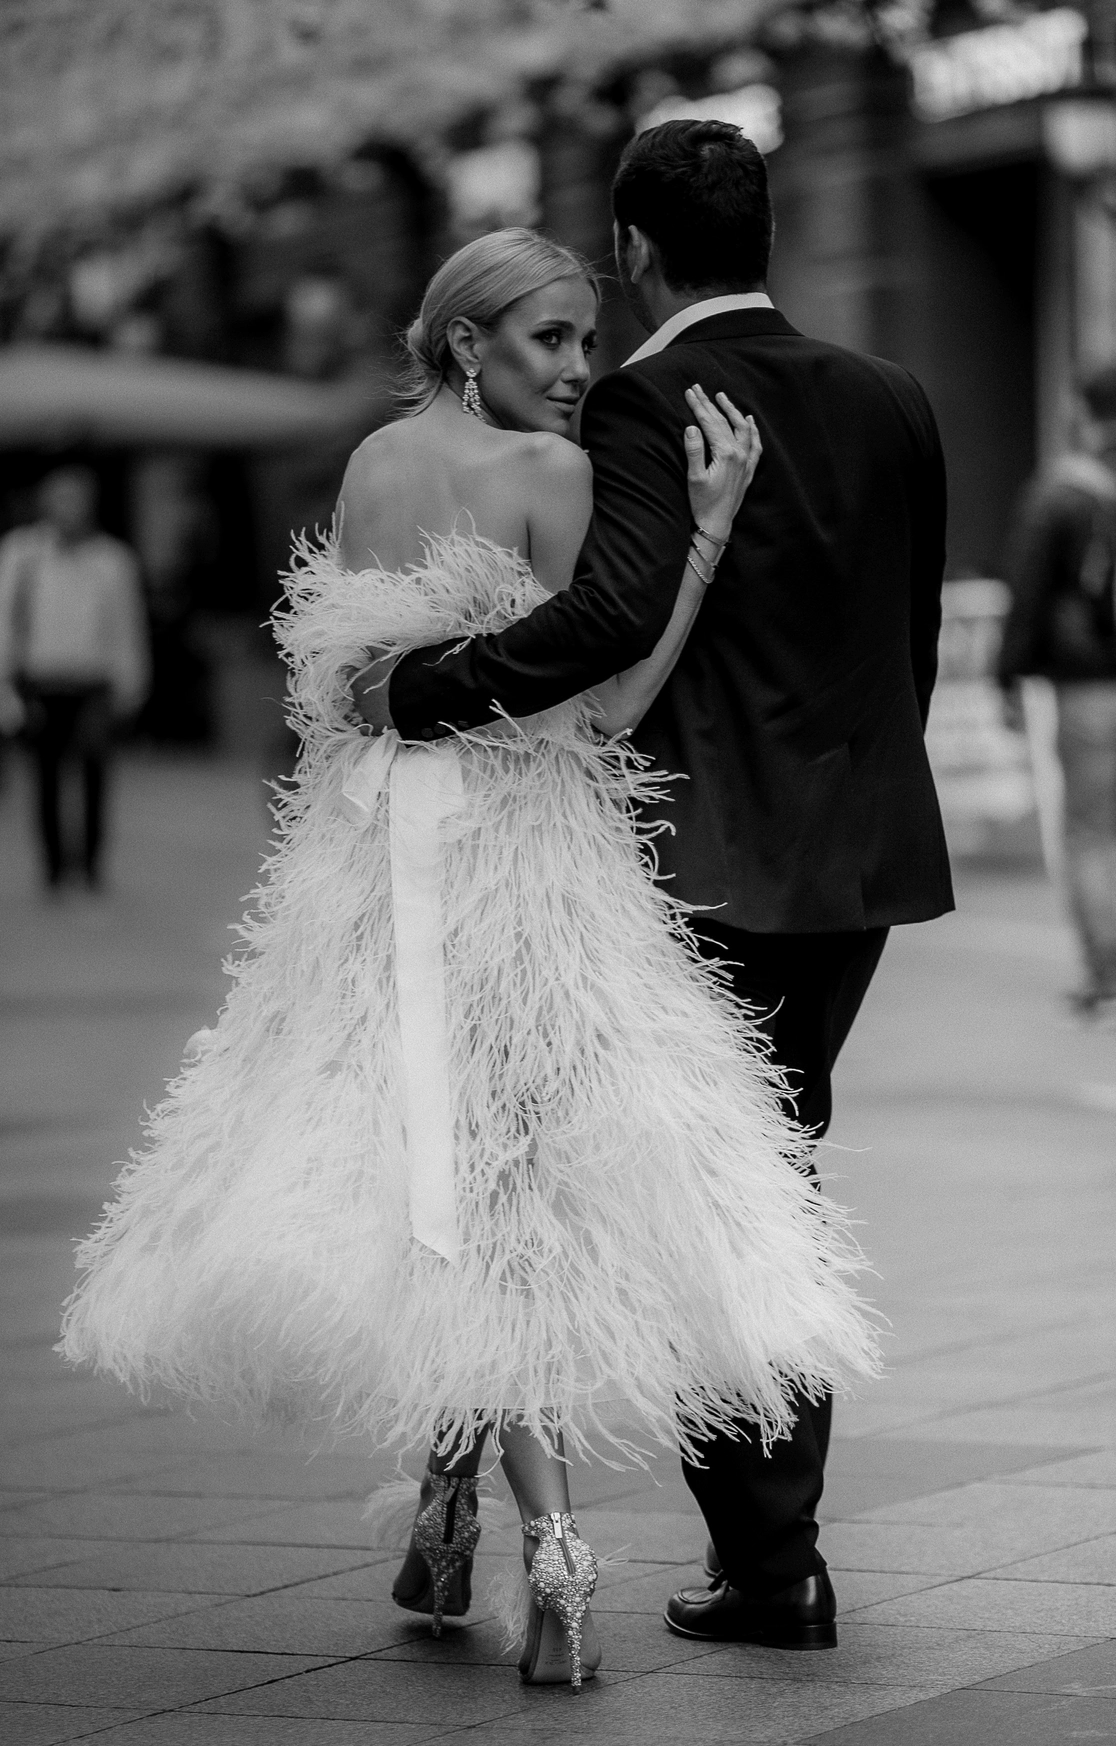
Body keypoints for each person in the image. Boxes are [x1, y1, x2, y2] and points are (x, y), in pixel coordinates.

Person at [60, 227, 879, 1693]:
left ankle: (446, 1514)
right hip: (521, 866)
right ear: (465, 341)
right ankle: (553, 1546)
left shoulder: (374, 467)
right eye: (551, 339)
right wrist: (702, 532)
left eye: (584, 340)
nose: (578, 370)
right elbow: (610, 700)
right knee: (508, 1194)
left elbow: (334, 688)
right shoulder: (556, 475)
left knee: (437, 1177)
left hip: (375, 865)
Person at [353, 124, 952, 1650]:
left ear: (632, 248)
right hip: (861, 860)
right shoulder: (894, 396)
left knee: (685, 1192)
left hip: (702, 864)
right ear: (768, 230)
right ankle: (740, 1551)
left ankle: (763, 1560)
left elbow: (612, 617)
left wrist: (424, 688)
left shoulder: (640, 400)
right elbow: (913, 641)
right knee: (768, 1169)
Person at [998, 363, 1116, 1018]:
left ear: (1086, 414)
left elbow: (1028, 592)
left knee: (1091, 832)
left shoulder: (1066, 495)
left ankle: (1105, 972)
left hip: (1088, 689)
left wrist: (1006, 676)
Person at [0, 466, 150, 890]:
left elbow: (126, 626)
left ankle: (90, 864)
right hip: (41, 681)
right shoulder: (20, 553)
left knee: (95, 772)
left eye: (78, 498)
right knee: (46, 775)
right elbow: (0, 619)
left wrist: (131, 683)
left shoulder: (112, 559)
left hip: (92, 682)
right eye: (61, 497)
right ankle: (53, 866)